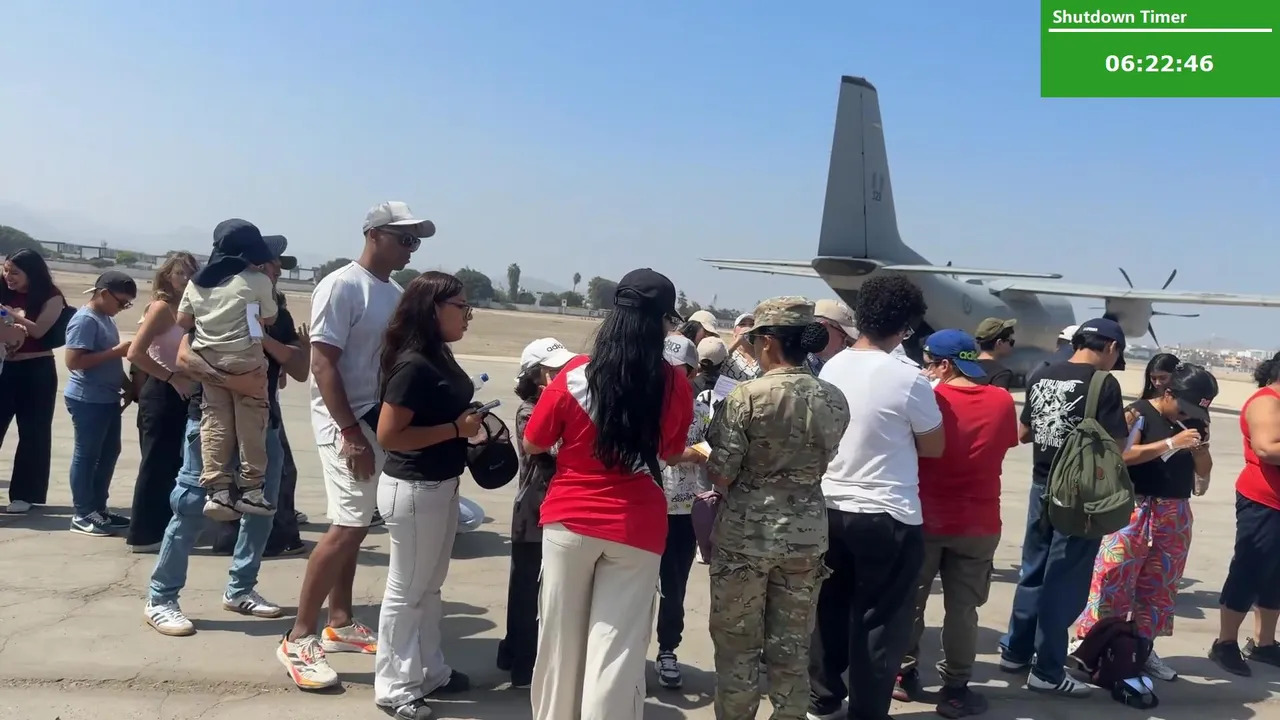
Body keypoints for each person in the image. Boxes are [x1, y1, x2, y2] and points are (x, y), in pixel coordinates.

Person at [523, 268, 693, 720]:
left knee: (559, 644)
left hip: (569, 520)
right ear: (662, 321)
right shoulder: (674, 383)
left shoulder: (574, 375)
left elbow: (534, 441)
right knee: (615, 653)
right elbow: (670, 451)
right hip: (637, 527)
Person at [277, 201, 429, 690]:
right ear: (374, 234)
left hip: (371, 420)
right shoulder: (341, 285)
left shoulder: (394, 292)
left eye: (416, 241)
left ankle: (339, 620)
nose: (411, 248)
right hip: (344, 425)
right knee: (346, 527)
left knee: (358, 524)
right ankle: (298, 637)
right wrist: (349, 432)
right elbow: (322, 363)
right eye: (405, 238)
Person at [143, 235, 307, 635]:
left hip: (263, 422)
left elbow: (300, 368)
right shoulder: (211, 298)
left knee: (260, 507)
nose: (275, 270)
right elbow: (185, 357)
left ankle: (240, 588)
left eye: (276, 266)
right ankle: (161, 598)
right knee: (191, 505)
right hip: (209, 420)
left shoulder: (275, 309)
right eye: (271, 262)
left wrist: (263, 338)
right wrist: (232, 381)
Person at [706, 297, 849, 720]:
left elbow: (722, 474)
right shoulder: (834, 398)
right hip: (805, 537)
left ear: (768, 341)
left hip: (746, 538)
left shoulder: (748, 396)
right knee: (792, 650)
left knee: (738, 650)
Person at [808, 274, 941, 720]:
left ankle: (823, 699)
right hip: (888, 514)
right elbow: (934, 444)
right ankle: (866, 710)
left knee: (829, 609)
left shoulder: (832, 368)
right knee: (881, 621)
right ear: (904, 327)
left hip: (830, 506)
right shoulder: (909, 378)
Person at [370, 271, 481, 718]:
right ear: (433, 309)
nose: (467, 315)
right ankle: (395, 686)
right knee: (407, 591)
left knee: (429, 588)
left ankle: (430, 670)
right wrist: (455, 429)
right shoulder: (413, 364)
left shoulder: (438, 354)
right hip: (415, 488)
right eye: (461, 307)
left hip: (440, 485)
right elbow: (389, 435)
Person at [999, 318, 1128, 698]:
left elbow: (1024, 433)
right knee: (1065, 582)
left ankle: (1015, 651)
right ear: (1110, 347)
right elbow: (1117, 446)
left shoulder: (1041, 374)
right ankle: (1047, 670)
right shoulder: (1103, 383)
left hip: (1041, 486)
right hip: (1078, 497)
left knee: (1033, 571)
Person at [1073, 362, 1216, 682]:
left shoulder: (1194, 421)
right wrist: (1170, 443)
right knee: (1112, 579)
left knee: (1159, 587)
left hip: (1174, 511)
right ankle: (1091, 644)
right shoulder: (1138, 413)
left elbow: (1204, 470)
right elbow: (1121, 455)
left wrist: (1200, 449)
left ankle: (1141, 648)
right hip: (1133, 507)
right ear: (1168, 393)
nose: (1187, 415)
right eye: (1184, 408)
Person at [900, 329, 1018, 717]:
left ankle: (903, 674)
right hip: (979, 522)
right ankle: (955, 688)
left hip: (926, 518)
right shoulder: (1001, 400)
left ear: (945, 364)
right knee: (963, 611)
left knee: (911, 602)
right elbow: (1004, 444)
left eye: (929, 363)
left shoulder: (929, 399)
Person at [177, 219, 279, 519]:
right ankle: (252, 490)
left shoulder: (197, 282)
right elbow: (270, 318)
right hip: (245, 358)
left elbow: (183, 320)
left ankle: (218, 492)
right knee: (251, 421)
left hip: (209, 359)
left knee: (215, 421)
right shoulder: (256, 280)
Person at [498, 337, 577, 689]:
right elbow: (549, 456)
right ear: (533, 376)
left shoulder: (557, 405)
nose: (561, 376)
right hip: (533, 510)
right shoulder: (530, 411)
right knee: (526, 591)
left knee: (539, 589)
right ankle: (521, 662)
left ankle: (513, 652)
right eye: (552, 371)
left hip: (550, 509)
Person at [124, 252, 200, 552]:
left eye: (191, 273)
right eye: (180, 273)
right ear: (167, 275)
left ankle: (166, 526)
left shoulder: (191, 307)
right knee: (156, 463)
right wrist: (171, 377)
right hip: (161, 390)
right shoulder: (161, 307)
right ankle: (143, 534)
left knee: (176, 464)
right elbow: (135, 353)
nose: (186, 278)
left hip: (184, 393)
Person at [1211, 352, 1280, 677]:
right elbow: (1267, 448)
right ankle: (1225, 642)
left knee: (1276, 575)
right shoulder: (1267, 401)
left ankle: (1264, 643)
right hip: (1264, 501)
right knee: (1249, 570)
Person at [654, 334, 712, 690]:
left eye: (677, 370)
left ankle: (667, 650)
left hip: (683, 512)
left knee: (674, 587)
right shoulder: (646, 406)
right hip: (647, 506)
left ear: (692, 372)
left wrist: (688, 453)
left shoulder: (703, 410)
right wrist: (688, 452)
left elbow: (713, 448)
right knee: (634, 586)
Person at [62, 271, 136, 536]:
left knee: (108, 453)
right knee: (87, 456)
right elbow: (73, 362)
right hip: (88, 399)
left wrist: (128, 387)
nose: (123, 308)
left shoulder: (106, 318)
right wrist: (116, 352)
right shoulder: (85, 320)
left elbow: (111, 363)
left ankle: (98, 508)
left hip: (107, 397)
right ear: (104, 294)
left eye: (127, 304)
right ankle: (82, 513)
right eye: (121, 302)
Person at [0, 249, 68, 514]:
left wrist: (10, 314)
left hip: (37, 369)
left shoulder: (51, 296)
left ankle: (25, 494)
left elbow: (39, 330)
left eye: (15, 272)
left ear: (32, 273)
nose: (8, 276)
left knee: (33, 433)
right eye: (6, 270)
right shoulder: (2, 289)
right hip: (5, 367)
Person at [805, 298, 857, 375]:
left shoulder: (823, 365)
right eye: (843, 336)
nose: (844, 345)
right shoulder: (795, 362)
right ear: (823, 327)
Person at [973, 317, 1016, 389]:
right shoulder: (1001, 374)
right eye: (1011, 341)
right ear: (999, 343)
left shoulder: (964, 368)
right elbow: (1000, 396)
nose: (1012, 345)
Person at [721, 312, 761, 382]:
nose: (748, 328)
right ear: (734, 332)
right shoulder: (729, 352)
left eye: (752, 324)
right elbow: (717, 362)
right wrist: (737, 341)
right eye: (742, 324)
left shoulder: (763, 355)